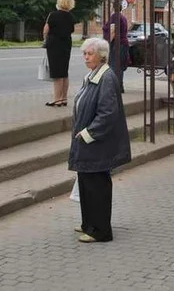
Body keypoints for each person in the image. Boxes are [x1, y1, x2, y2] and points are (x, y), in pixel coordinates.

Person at [68, 37, 132, 243]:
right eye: (84, 54)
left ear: (101, 56)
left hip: (97, 143)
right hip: (88, 142)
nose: (86, 57)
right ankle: (89, 224)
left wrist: (89, 133)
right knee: (87, 184)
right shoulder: (94, 74)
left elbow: (107, 113)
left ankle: (101, 230)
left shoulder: (107, 77)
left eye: (90, 54)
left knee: (97, 187)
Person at [43, 0, 76, 107]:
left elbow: (45, 30)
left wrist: (45, 39)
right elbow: (72, 30)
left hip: (54, 45)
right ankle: (64, 98)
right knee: (64, 72)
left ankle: (57, 99)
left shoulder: (53, 15)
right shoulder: (71, 16)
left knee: (56, 73)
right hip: (66, 45)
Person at [102, 8, 131, 89]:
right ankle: (119, 86)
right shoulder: (123, 17)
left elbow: (112, 31)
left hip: (116, 44)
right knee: (120, 66)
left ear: (113, 7)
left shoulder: (115, 17)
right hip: (123, 44)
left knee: (114, 65)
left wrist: (107, 43)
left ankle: (115, 87)